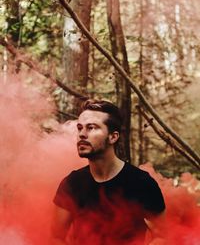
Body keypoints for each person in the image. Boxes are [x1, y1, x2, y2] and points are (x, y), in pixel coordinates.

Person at [51, 99, 165, 245]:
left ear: (113, 137)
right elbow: (56, 237)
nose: (82, 134)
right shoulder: (72, 184)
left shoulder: (142, 183)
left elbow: (162, 236)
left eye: (91, 128)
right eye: (80, 128)